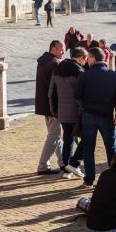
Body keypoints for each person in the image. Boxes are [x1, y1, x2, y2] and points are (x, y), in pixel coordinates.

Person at [75, 47, 116, 187]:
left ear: (94, 58)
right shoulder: (113, 75)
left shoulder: (85, 75)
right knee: (111, 147)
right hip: (106, 115)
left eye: (88, 58)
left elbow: (77, 95)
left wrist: (84, 105)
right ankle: (114, 177)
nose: (87, 60)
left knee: (89, 148)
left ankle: (89, 179)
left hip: (89, 115)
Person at [49, 46, 87, 180]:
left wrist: (54, 111)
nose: (85, 62)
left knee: (68, 139)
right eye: (85, 59)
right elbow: (82, 94)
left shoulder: (57, 69)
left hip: (62, 112)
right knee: (85, 138)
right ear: (81, 57)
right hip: (76, 112)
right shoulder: (79, 71)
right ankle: (73, 164)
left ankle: (66, 169)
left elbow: (51, 92)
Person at [35, 40, 65, 175]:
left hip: (45, 105)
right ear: (53, 49)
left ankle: (64, 162)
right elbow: (57, 88)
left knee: (56, 135)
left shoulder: (43, 61)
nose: (63, 52)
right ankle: (43, 165)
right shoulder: (54, 64)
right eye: (61, 49)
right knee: (54, 135)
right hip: (53, 107)